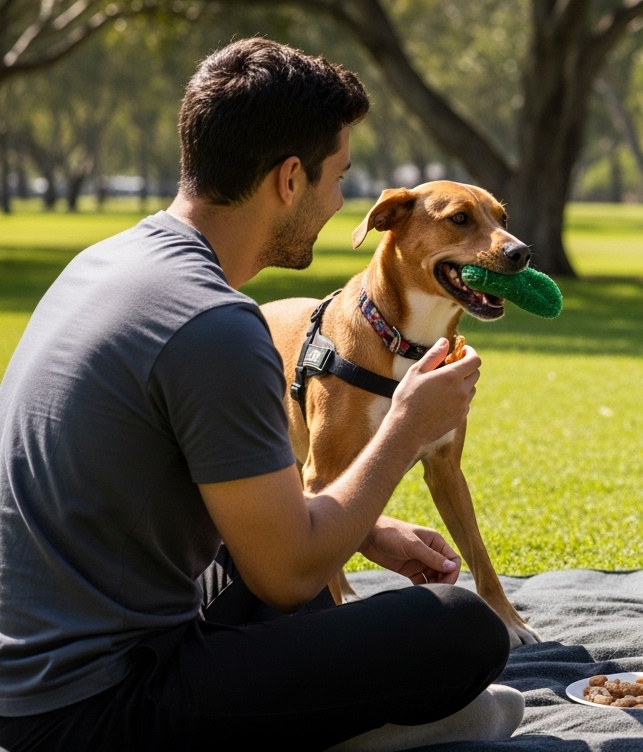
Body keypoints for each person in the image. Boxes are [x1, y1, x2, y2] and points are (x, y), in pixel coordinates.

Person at [0, 38, 523, 751]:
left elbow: (199, 485)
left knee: (309, 584)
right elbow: (284, 576)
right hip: (98, 708)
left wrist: (361, 529)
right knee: (457, 629)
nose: (340, 202)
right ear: (287, 179)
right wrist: (405, 428)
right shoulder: (215, 326)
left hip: (34, 675)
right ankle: (363, 734)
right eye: (336, 177)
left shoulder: (107, 263)